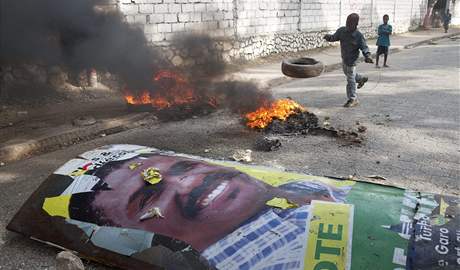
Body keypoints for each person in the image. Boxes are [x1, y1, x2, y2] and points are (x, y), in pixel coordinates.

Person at [49, 145, 351, 269]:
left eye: (181, 167)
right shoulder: (268, 257)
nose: (186, 184)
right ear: (133, 233)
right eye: (149, 198)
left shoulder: (304, 190)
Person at [324, 13, 374, 108]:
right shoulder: (342, 31)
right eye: (347, 23)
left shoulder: (358, 36)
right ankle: (360, 79)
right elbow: (334, 37)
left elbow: (364, 47)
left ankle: (353, 99)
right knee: (349, 75)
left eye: (350, 24)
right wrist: (328, 37)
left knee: (350, 79)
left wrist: (368, 56)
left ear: (356, 24)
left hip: (352, 61)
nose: (348, 25)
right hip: (344, 58)